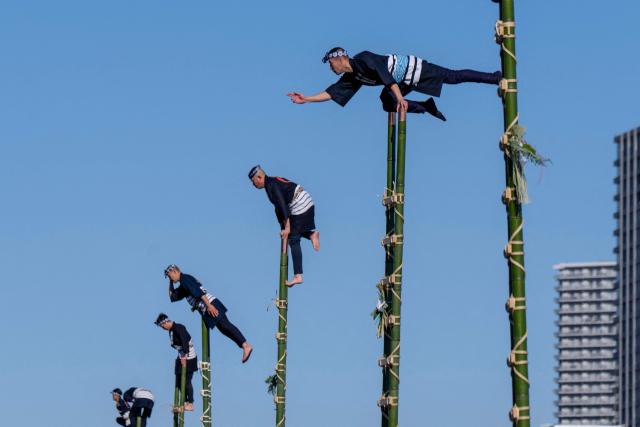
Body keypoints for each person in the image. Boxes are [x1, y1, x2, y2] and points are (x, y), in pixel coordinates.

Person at [287, 47, 502, 120]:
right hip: (402, 81)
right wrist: (306, 99)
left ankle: (494, 77)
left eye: (331, 63)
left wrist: (400, 97)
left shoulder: (364, 59)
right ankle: (426, 107)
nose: (330, 68)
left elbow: (386, 77)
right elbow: (332, 93)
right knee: (386, 103)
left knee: (453, 77)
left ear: (340, 58)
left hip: (415, 69)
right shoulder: (352, 76)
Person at [248, 165, 320, 287]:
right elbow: (278, 209)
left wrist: (287, 228)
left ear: (259, 177)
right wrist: (283, 228)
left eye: (253, 181)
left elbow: (282, 205)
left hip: (300, 203)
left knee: (293, 239)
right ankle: (311, 234)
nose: (253, 185)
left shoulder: (271, 185)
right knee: (292, 231)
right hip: (303, 201)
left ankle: (298, 276)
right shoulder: (270, 184)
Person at [165, 264, 253, 363]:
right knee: (223, 329)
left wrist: (209, 306)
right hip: (205, 308)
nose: (170, 278)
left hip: (210, 304)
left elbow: (198, 291)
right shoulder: (183, 283)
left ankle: (245, 345)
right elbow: (172, 297)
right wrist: (170, 281)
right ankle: (243, 345)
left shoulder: (184, 279)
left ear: (175, 271)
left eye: (170, 275)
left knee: (225, 325)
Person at [154, 313, 197, 412]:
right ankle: (183, 402)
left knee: (186, 381)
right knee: (178, 380)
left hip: (189, 356)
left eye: (162, 326)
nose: (162, 328)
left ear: (166, 322)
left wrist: (185, 356)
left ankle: (190, 403)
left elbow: (185, 342)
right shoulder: (171, 331)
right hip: (180, 355)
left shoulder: (178, 328)